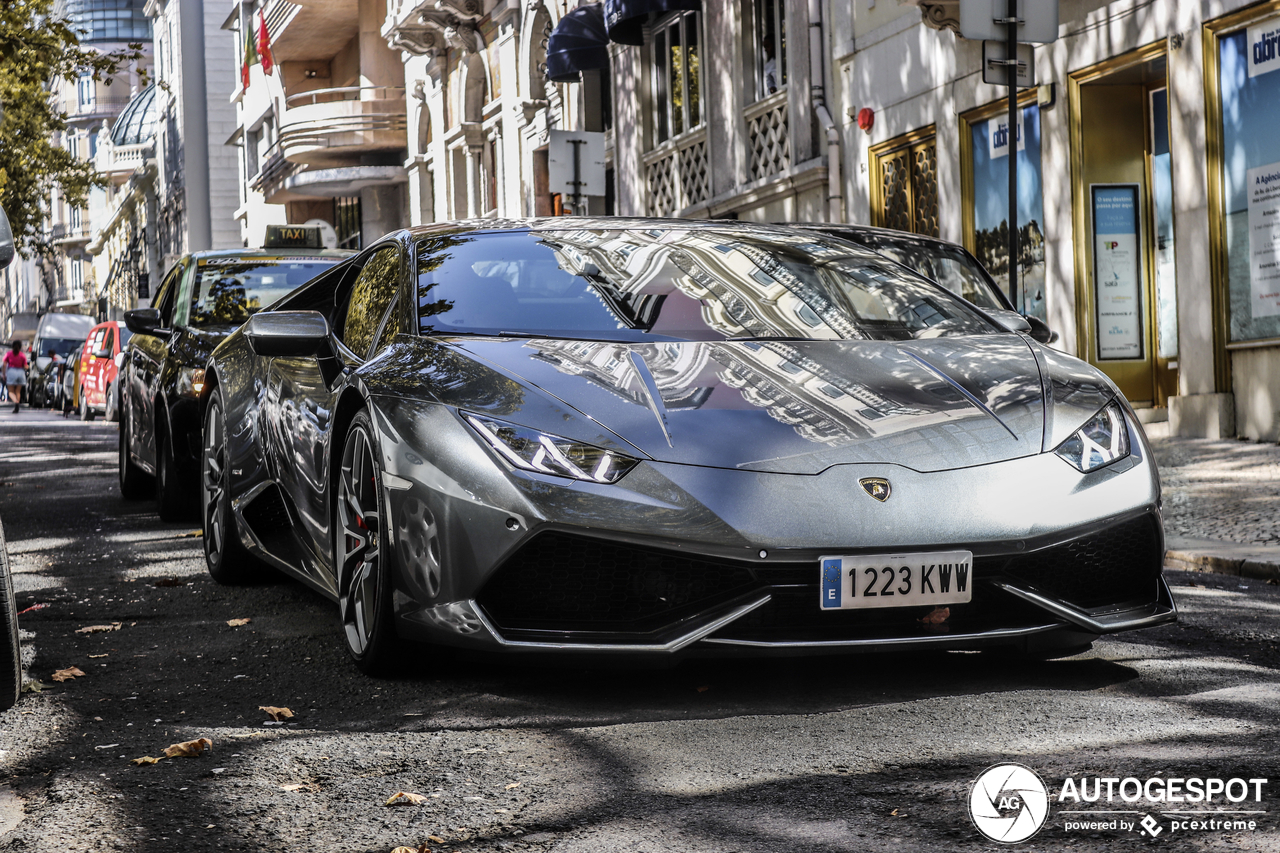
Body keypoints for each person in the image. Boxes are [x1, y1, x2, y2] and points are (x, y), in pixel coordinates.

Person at [3, 340, 27, 413]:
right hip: (21, 372)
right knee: (18, 391)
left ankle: (16, 402)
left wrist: (4, 374)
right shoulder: (22, 355)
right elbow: (25, 366)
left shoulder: (8, 354)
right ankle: (17, 404)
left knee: (10, 391)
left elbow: (4, 365)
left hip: (11, 372)